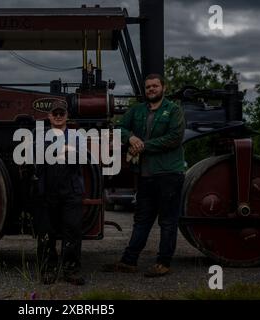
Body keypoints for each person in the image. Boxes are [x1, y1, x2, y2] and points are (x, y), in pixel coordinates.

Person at [103, 74, 186, 277]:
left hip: (168, 174)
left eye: (155, 86)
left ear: (163, 88)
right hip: (145, 175)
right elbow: (119, 127)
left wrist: (143, 146)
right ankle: (129, 261)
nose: (151, 89)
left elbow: (174, 139)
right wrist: (130, 137)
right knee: (141, 220)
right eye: (148, 87)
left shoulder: (173, 110)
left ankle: (163, 262)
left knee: (167, 221)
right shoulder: (137, 110)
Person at [32, 101, 85, 285]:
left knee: (72, 231)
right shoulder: (39, 136)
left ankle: (71, 270)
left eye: (61, 113)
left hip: (71, 191)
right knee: (46, 233)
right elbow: (35, 157)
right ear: (49, 116)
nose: (58, 116)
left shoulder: (77, 136)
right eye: (54, 113)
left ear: (67, 116)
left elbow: (78, 156)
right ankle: (48, 269)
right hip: (47, 191)